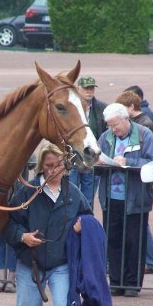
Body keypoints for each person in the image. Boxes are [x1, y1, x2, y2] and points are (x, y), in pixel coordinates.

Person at [3, 143, 92, 306]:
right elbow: (8, 225)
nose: (54, 171)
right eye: (49, 166)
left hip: (61, 265)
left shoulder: (74, 193)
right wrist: (23, 237)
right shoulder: (26, 192)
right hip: (30, 264)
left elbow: (89, 219)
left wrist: (82, 224)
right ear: (41, 166)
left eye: (59, 166)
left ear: (66, 165)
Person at [97, 103, 153, 297]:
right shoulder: (105, 138)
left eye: (115, 125)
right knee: (113, 240)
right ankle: (116, 282)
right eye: (109, 126)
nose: (113, 129)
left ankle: (132, 284)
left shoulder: (144, 134)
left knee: (134, 241)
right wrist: (97, 163)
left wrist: (129, 163)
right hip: (111, 197)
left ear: (126, 119)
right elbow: (95, 162)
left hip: (135, 198)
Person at [120, 88, 153, 275]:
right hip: (139, 181)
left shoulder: (144, 125)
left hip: (140, 183)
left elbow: (146, 155)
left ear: (131, 107)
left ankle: (151, 260)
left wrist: (128, 161)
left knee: (141, 226)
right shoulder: (142, 120)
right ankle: (150, 260)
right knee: (141, 225)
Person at [69, 76, 107, 209]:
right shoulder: (71, 107)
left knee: (87, 200)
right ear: (78, 89)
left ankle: (85, 225)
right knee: (70, 197)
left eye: (91, 88)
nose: (89, 91)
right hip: (73, 159)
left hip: (92, 161)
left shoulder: (102, 108)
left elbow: (107, 134)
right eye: (86, 88)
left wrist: (102, 154)